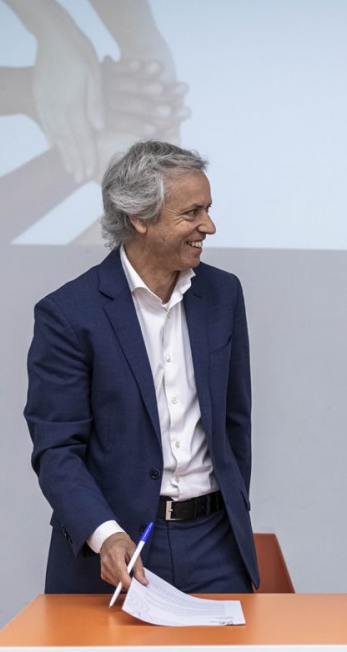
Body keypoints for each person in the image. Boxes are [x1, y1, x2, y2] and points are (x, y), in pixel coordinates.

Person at [24, 140, 258, 594]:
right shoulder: (68, 314)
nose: (208, 226)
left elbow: (235, 421)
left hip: (215, 544)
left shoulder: (224, 294)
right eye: (191, 213)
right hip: (115, 549)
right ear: (139, 218)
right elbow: (56, 449)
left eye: (208, 209)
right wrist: (104, 534)